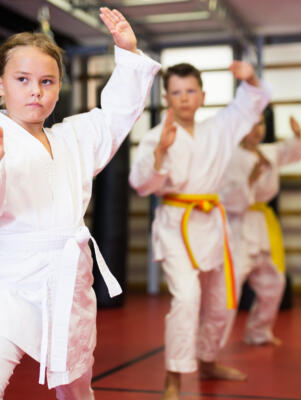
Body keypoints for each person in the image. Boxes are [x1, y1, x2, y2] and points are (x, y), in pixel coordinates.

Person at [0, 7, 160, 399]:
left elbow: (115, 117)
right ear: (1, 85)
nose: (35, 90)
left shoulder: (72, 139)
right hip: (10, 282)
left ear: (59, 89)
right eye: (22, 79)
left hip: (69, 279)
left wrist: (127, 54)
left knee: (76, 386)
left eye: (47, 81)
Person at [129, 62, 270, 399]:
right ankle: (174, 375)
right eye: (176, 92)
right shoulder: (156, 135)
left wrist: (249, 77)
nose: (184, 98)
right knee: (187, 298)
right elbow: (140, 184)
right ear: (166, 98)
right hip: (176, 224)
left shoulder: (219, 128)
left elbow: (251, 102)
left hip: (212, 222)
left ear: (203, 96)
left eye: (190, 91)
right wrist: (161, 150)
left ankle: (207, 359)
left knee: (220, 301)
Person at [219, 114, 301, 347]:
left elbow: (290, 150)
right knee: (228, 289)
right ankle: (212, 345)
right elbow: (224, 199)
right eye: (250, 124)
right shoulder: (228, 157)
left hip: (261, 224)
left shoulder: (267, 152)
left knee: (274, 281)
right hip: (237, 227)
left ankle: (258, 332)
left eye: (260, 123)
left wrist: (299, 136)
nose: (256, 129)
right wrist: (248, 182)